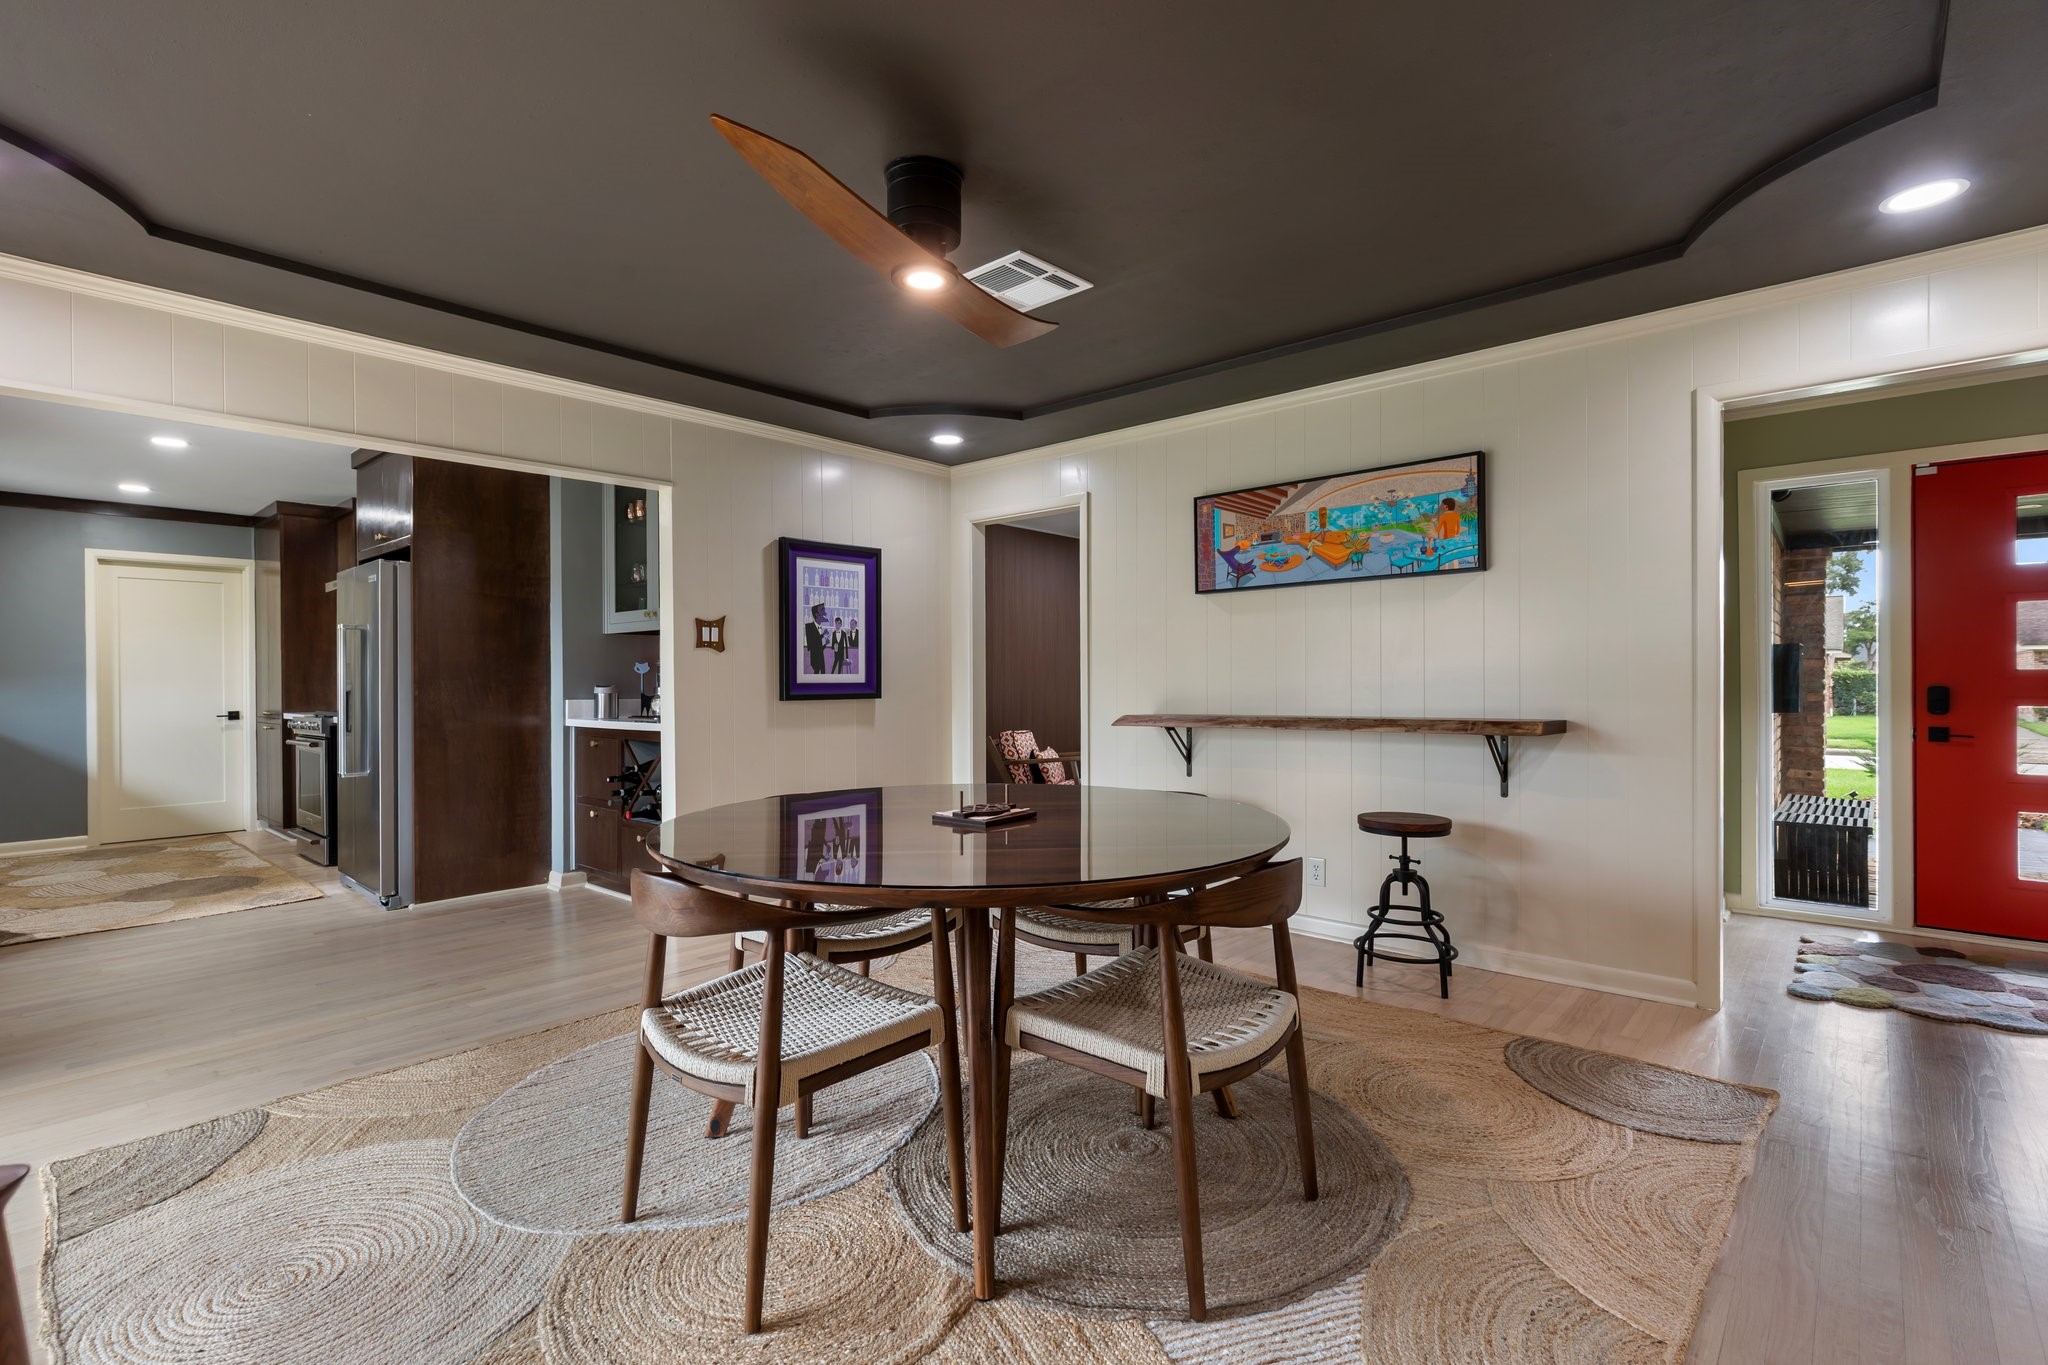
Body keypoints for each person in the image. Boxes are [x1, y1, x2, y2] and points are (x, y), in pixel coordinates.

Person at [803, 602, 829, 676]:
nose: (825, 613)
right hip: (815, 660)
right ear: (817, 614)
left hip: (821, 659)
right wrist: (823, 635)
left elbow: (819, 648)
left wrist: (825, 644)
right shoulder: (809, 627)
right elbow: (812, 644)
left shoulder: (821, 628)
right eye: (822, 610)